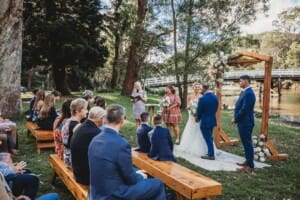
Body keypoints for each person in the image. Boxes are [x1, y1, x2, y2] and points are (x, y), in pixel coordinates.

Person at [88, 104, 166, 200]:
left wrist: (136, 172)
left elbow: (113, 166)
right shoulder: (121, 143)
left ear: (105, 119)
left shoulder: (94, 139)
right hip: (114, 194)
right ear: (122, 121)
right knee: (158, 183)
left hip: (96, 193)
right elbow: (131, 179)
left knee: (138, 173)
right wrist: (140, 176)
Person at [70, 107, 106, 186]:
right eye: (104, 118)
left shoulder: (80, 127)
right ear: (100, 119)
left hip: (77, 171)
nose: (105, 121)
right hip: (86, 177)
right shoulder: (96, 133)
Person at [175, 82, 209, 157]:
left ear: (200, 88)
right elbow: (187, 106)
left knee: (199, 130)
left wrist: (197, 114)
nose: (197, 88)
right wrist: (191, 112)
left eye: (198, 87)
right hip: (191, 116)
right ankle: (187, 145)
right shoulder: (190, 96)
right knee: (190, 129)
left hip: (199, 116)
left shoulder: (202, 96)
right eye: (195, 87)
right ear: (193, 88)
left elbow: (203, 108)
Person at [232, 75, 256, 171]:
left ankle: (250, 165)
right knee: (245, 142)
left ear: (246, 82)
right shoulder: (245, 92)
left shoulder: (249, 93)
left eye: (240, 81)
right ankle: (247, 161)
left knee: (247, 143)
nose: (239, 82)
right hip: (243, 121)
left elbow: (244, 109)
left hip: (246, 122)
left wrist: (236, 119)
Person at [62, 98, 88, 168]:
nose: (87, 111)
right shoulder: (77, 126)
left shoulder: (67, 121)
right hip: (72, 161)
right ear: (77, 111)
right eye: (85, 109)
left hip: (66, 156)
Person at [196, 84, 218, 160]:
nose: (200, 90)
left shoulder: (202, 99)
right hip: (212, 120)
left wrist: (197, 118)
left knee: (208, 138)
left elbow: (199, 111)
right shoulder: (215, 97)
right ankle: (210, 152)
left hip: (205, 121)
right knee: (210, 137)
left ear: (204, 89)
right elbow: (216, 109)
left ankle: (211, 155)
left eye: (201, 89)